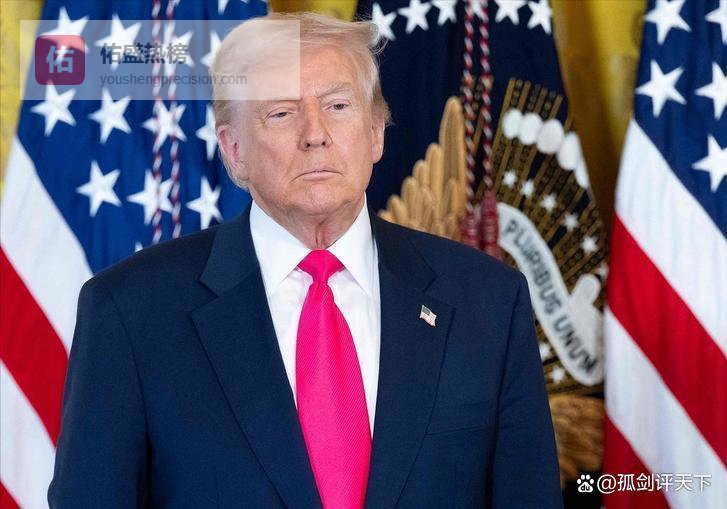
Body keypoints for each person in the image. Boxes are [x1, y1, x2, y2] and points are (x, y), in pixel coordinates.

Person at [48, 12, 562, 509]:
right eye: (281, 112)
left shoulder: (488, 301)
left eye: (338, 106)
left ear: (377, 133)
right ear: (233, 150)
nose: (315, 133)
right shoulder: (130, 312)